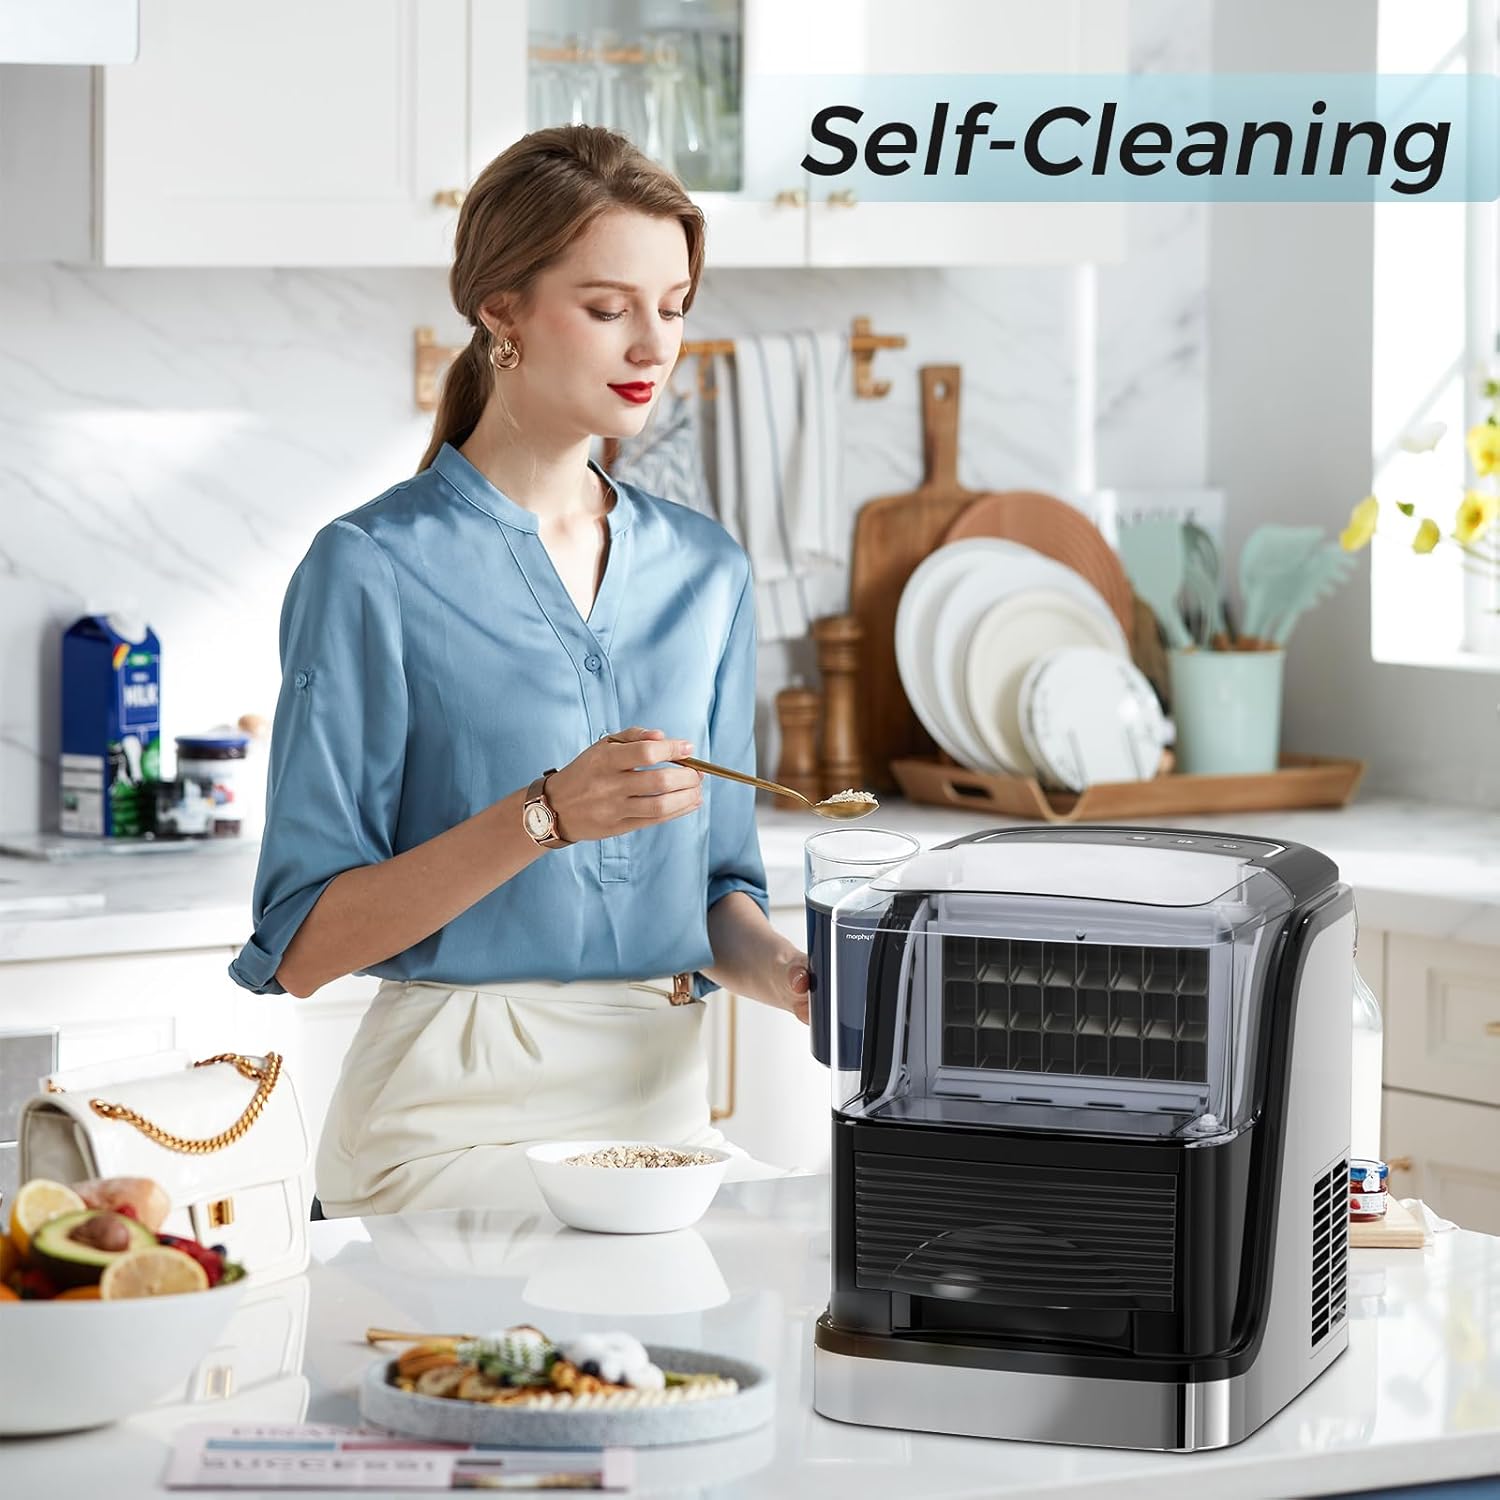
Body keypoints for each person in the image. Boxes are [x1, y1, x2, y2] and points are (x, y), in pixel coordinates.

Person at [229, 125, 810, 1217]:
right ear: (501, 311)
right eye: (607, 308)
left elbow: (718, 892)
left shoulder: (706, 571)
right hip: (446, 1130)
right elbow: (302, 949)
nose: (653, 346)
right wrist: (545, 816)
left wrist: (787, 976)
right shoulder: (373, 568)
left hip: (657, 1132)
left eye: (674, 306)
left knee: (808, 1284)